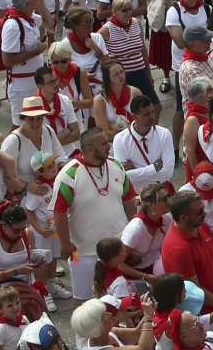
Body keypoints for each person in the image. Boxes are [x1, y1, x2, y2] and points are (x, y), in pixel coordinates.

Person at [52, 126, 134, 300]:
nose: (109, 146)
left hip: (119, 249)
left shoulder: (116, 165)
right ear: (89, 149)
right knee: (83, 301)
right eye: (103, 143)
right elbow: (59, 212)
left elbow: (129, 200)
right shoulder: (68, 175)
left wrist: (134, 232)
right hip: (83, 253)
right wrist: (65, 244)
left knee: (122, 301)